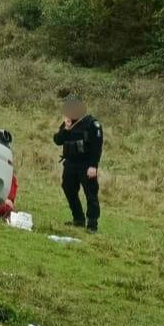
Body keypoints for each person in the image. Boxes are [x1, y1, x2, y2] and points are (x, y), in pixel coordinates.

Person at [53, 94, 103, 232]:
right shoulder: (67, 123)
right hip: (70, 163)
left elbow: (96, 147)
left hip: (86, 164)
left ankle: (92, 223)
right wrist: (66, 129)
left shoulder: (92, 124)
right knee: (68, 189)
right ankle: (78, 218)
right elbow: (57, 140)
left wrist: (93, 166)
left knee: (90, 194)